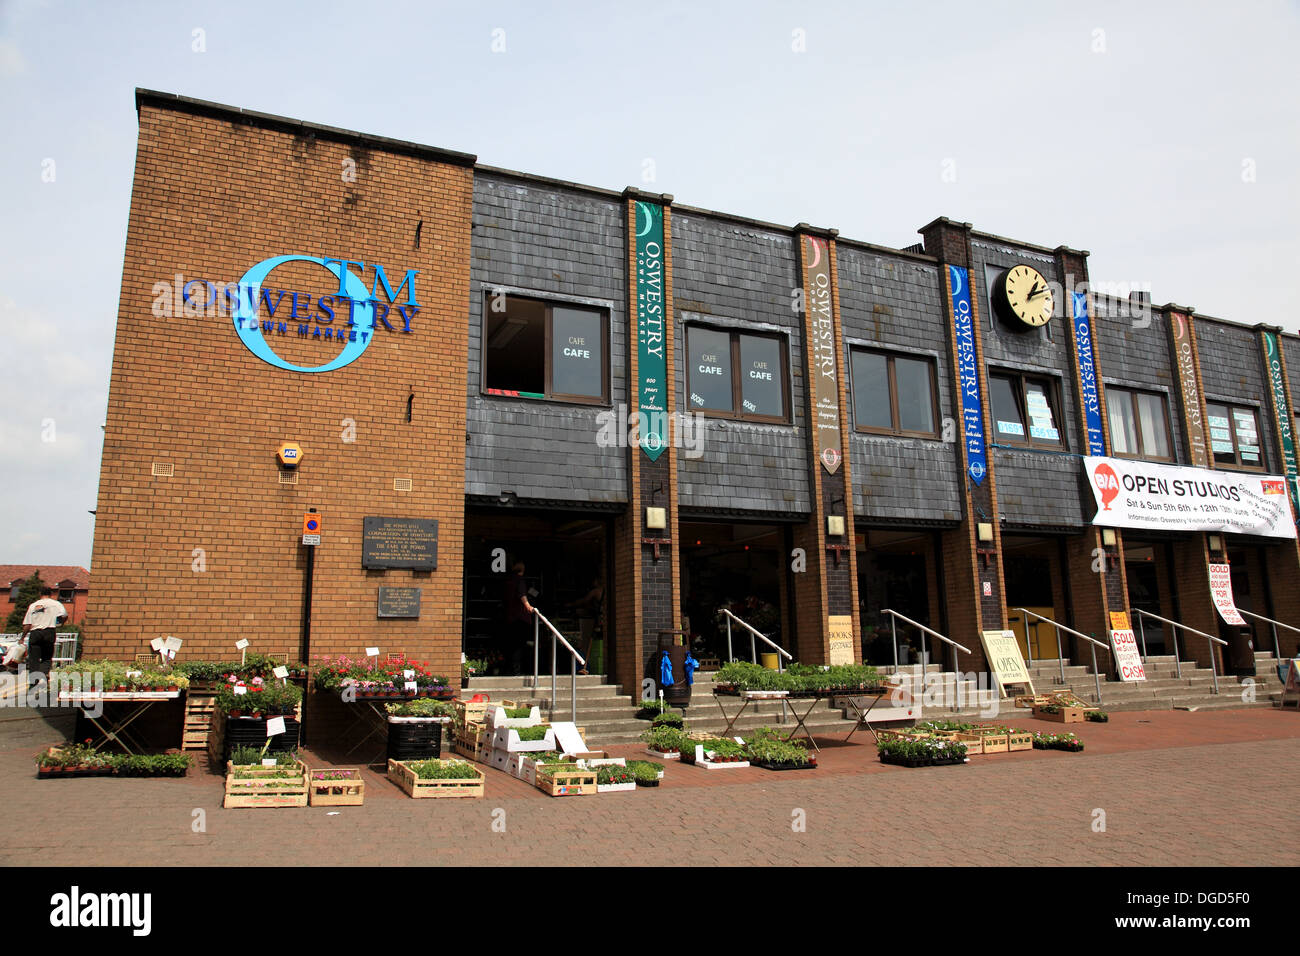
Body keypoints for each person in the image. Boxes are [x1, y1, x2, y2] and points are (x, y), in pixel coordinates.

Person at [22, 585, 67, 677]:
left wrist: (22, 637)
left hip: (35, 633)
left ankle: (33, 683)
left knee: (34, 659)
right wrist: (61, 623)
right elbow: (64, 615)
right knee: (47, 657)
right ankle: (44, 674)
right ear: (51, 594)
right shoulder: (56, 604)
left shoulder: (33, 605)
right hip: (49, 632)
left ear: (40, 593)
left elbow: (28, 624)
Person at [567, 576, 604, 675]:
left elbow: (584, 601)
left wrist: (570, 605)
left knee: (586, 643)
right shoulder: (605, 591)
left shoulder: (597, 591)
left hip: (597, 620)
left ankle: (585, 666)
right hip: (600, 620)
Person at [502, 562, 535, 675]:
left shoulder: (508, 581)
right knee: (519, 645)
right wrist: (528, 606)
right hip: (520, 619)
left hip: (510, 618)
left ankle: (510, 669)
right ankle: (517, 670)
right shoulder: (519, 580)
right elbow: (522, 594)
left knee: (511, 644)